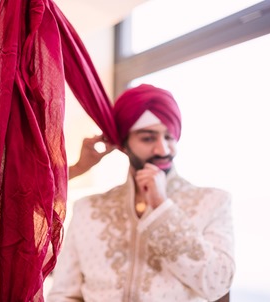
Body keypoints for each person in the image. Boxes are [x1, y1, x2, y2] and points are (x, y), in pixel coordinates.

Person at [47, 84, 235, 301]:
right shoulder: (88, 209)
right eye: (148, 138)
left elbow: (217, 283)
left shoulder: (212, 202)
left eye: (169, 137)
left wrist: (162, 208)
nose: (163, 149)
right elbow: (64, 293)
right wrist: (77, 168)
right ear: (123, 145)